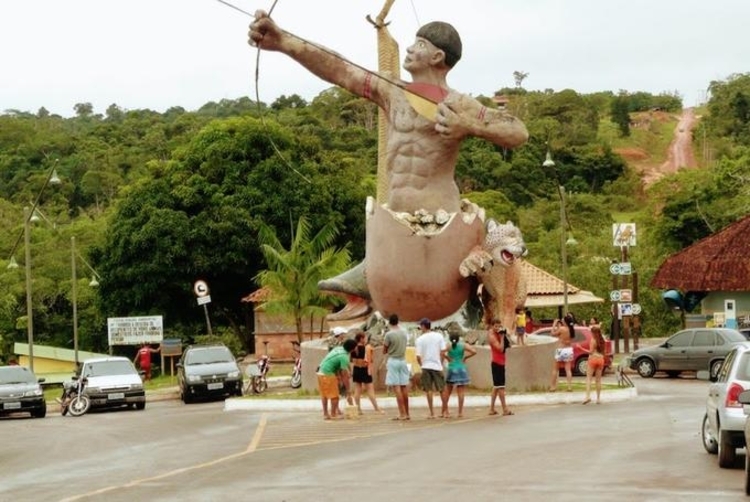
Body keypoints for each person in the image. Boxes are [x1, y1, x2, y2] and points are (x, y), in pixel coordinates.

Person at [249, 12, 529, 322]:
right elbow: (342, 69)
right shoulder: (392, 89)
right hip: (396, 216)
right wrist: (284, 40)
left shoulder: (459, 104)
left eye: (419, 44)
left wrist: (466, 126)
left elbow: (517, 131)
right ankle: (368, 284)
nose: (410, 49)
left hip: (440, 220)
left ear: (437, 56)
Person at [317, 338, 358, 420]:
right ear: (352, 348)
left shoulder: (339, 349)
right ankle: (333, 414)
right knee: (335, 396)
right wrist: (348, 389)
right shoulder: (344, 356)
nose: (357, 348)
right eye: (356, 347)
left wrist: (346, 372)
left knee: (324, 395)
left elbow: (339, 366)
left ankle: (326, 414)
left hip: (320, 371)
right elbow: (344, 375)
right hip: (328, 373)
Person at [414, 318, 447, 419]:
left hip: (426, 366)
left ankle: (432, 412)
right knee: (441, 389)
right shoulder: (439, 336)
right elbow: (443, 351)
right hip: (437, 365)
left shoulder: (420, 339)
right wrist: (440, 363)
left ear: (423, 326)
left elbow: (418, 356)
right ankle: (445, 411)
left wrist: (421, 364)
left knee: (428, 390)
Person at [440, 330, 476, 418]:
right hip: (461, 368)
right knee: (461, 392)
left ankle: (444, 411)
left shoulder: (448, 346)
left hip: (452, 368)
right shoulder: (463, 345)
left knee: (448, 391)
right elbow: (474, 351)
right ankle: (460, 412)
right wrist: (466, 357)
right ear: (459, 338)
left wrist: (448, 358)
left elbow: (441, 352)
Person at [383, 314, 411, 420]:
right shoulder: (404, 333)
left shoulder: (389, 335)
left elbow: (384, 349)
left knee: (396, 387)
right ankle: (407, 413)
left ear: (390, 322)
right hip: (403, 360)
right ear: (398, 321)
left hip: (393, 360)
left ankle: (402, 413)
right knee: (404, 386)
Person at [351, 331, 383, 414]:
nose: (366, 339)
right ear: (361, 339)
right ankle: (376, 408)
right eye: (365, 337)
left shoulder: (354, 348)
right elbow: (369, 360)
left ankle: (358, 409)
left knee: (357, 390)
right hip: (364, 370)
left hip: (356, 369)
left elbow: (353, 361)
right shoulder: (367, 348)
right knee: (370, 389)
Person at [488, 319, 513, 416]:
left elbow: (510, 345)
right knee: (501, 387)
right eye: (496, 326)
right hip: (497, 363)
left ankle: (491, 409)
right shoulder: (491, 336)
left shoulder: (499, 333)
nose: (497, 328)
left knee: (496, 387)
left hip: (501, 362)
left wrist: (505, 335)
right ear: (492, 326)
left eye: (499, 326)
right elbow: (500, 349)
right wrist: (502, 337)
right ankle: (505, 409)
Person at [582, 325, 606, 405]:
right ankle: (598, 399)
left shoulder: (593, 340)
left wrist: (581, 349)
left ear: (593, 333)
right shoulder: (602, 340)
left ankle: (587, 396)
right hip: (600, 359)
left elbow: (591, 352)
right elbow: (604, 353)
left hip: (593, 359)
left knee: (589, 378)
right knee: (598, 380)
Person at [549, 318, 574, 392]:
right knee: (568, 369)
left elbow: (552, 334)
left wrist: (554, 324)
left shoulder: (562, 329)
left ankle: (553, 386)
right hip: (568, 349)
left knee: (555, 369)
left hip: (561, 349)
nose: (562, 321)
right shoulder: (571, 329)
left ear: (565, 322)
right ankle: (569, 386)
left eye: (563, 320)